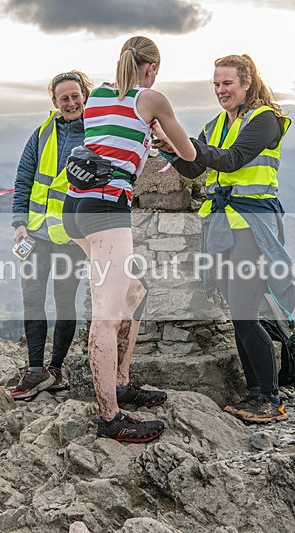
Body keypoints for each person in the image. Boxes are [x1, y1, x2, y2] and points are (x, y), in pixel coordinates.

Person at [153, 54, 295, 424]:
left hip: (253, 226)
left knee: (244, 311)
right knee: (240, 314)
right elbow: (195, 168)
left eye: (228, 83)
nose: (221, 90)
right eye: (216, 84)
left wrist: (184, 140)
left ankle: (270, 398)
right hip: (222, 226)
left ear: (246, 82)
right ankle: (256, 393)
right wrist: (169, 147)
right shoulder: (216, 124)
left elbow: (233, 159)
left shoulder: (265, 119)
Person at [62, 36, 197, 443]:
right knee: (106, 317)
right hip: (106, 209)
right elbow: (189, 155)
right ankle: (110, 417)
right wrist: (161, 137)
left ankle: (120, 382)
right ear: (151, 68)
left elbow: (110, 137)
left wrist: (143, 135)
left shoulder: (97, 95)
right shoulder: (152, 99)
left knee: (134, 293)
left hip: (75, 207)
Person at [9, 70, 93, 401]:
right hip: (34, 235)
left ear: (85, 95)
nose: (70, 103)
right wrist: (19, 223)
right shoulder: (42, 133)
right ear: (54, 101)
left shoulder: (95, 132)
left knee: (64, 302)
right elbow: (23, 180)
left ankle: (56, 370)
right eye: (63, 98)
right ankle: (35, 370)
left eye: (75, 96)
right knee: (32, 300)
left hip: (72, 238)